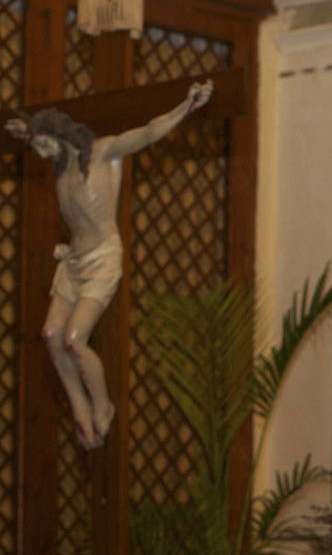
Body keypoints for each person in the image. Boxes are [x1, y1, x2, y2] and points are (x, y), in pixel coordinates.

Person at [6, 80, 212, 449]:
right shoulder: (62, 168)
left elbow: (149, 132)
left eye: (43, 144)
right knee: (51, 336)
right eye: (36, 147)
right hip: (73, 261)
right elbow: (39, 139)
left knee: (73, 339)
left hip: (102, 258)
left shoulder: (105, 153)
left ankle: (102, 405)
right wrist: (27, 132)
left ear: (59, 134)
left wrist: (188, 105)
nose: (40, 153)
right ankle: (79, 405)